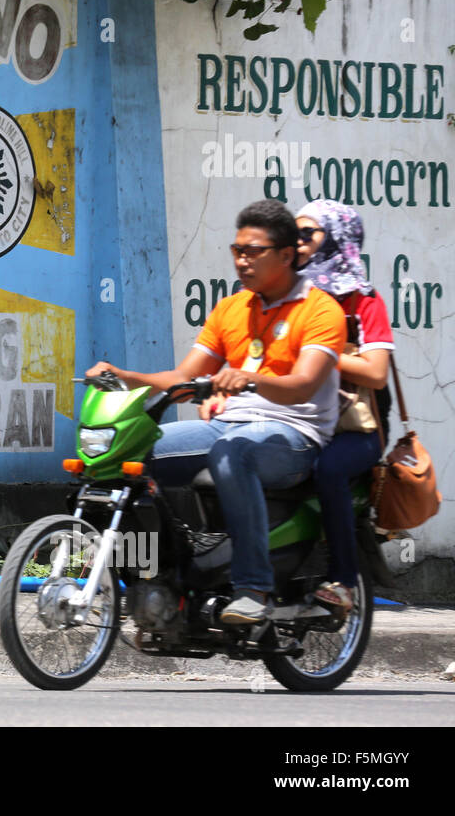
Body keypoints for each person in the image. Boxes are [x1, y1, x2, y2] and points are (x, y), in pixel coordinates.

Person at [88, 199, 346, 623]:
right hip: (230, 425)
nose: (242, 260)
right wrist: (124, 375)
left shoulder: (320, 310)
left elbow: (303, 386)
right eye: (237, 250)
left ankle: (253, 588)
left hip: (295, 435)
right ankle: (157, 575)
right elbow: (185, 377)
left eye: (254, 251)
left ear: (285, 255)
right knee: (132, 451)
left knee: (233, 453)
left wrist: (249, 379)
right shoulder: (231, 309)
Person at [293, 200, 393, 612]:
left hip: (357, 429)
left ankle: (344, 581)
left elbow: (376, 373)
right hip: (299, 417)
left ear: (336, 238)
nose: (296, 243)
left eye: (307, 234)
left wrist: (322, 352)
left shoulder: (363, 301)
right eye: (293, 233)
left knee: (328, 469)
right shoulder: (290, 292)